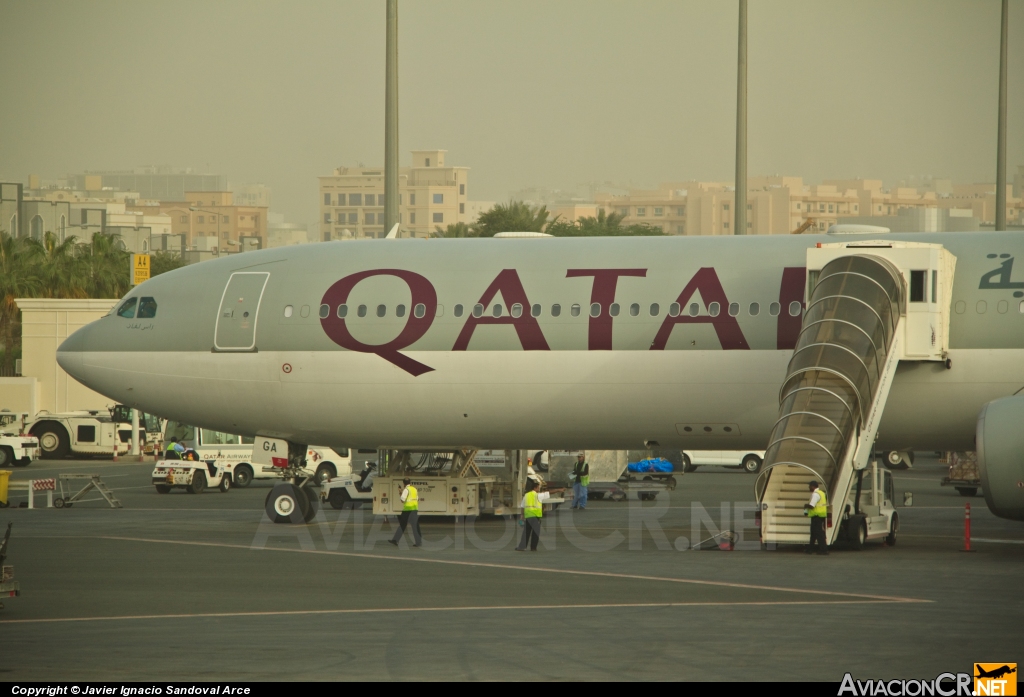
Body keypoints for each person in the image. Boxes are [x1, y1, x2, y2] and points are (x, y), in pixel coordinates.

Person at [515, 480, 563, 551]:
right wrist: (559, 490)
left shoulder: (526, 495)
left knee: (526, 532)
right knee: (535, 532)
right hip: (536, 516)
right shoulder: (538, 495)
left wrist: (522, 515)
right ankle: (533, 547)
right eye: (538, 488)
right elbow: (549, 492)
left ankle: (522, 547)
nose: (539, 489)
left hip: (528, 516)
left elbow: (522, 506)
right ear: (535, 488)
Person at [389, 477, 422, 548]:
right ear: (410, 482)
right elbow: (417, 499)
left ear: (403, 483)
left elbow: (402, 500)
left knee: (402, 525)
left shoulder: (406, 490)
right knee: (415, 526)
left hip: (407, 510)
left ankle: (395, 540)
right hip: (414, 509)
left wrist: (400, 492)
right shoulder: (414, 489)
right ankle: (418, 542)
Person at [803, 481, 829, 555]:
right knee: (814, 533)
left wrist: (806, 506)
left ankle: (824, 550)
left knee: (818, 534)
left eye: (809, 486)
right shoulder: (822, 493)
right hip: (820, 515)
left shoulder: (815, 494)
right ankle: (810, 549)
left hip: (817, 516)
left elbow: (812, 506)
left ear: (813, 486)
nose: (809, 488)